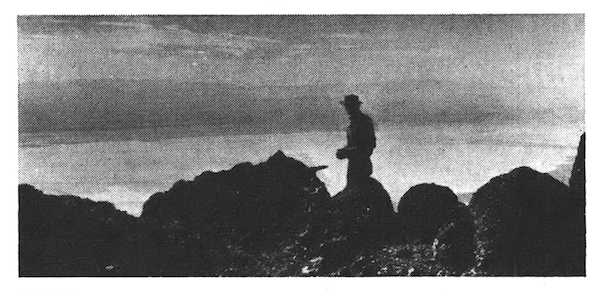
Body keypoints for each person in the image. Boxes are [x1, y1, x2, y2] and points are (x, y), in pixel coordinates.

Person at [336, 94, 376, 184]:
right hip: (353, 167)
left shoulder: (365, 122)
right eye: (346, 106)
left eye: (350, 106)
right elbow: (353, 144)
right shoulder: (353, 123)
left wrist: (346, 152)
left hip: (362, 167)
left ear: (356, 106)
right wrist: (344, 150)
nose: (347, 109)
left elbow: (369, 146)